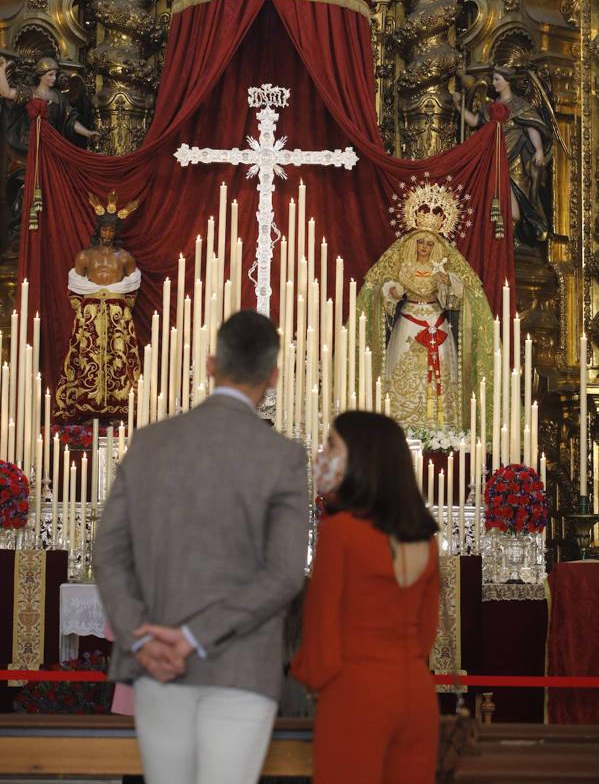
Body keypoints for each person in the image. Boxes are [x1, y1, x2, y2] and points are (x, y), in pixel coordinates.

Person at [93, 310, 309, 784]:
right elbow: (286, 574)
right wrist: (193, 638)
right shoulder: (283, 458)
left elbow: (107, 552)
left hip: (155, 663)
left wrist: (143, 636)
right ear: (272, 377)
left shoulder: (149, 442)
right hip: (241, 667)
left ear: (212, 365)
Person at [292, 411, 440, 784]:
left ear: (360, 459)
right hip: (418, 694)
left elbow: (321, 625)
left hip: (357, 692)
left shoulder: (341, 531)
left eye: (331, 445)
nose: (322, 454)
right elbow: (426, 632)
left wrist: (314, 682)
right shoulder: (425, 538)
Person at [357, 225, 494, 431]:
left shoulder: (440, 269)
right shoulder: (405, 266)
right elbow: (388, 290)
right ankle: (399, 422)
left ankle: (442, 425)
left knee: (441, 367)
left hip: (435, 319)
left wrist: (449, 283)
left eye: (429, 244)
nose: (424, 247)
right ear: (413, 244)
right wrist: (393, 292)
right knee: (405, 367)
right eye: (421, 242)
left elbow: (455, 300)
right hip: (408, 321)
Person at [54, 191, 141, 421]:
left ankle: (119, 406)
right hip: (90, 314)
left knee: (119, 359)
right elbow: (74, 291)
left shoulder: (125, 258)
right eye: (104, 229)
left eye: (112, 230)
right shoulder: (84, 257)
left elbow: (131, 291)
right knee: (87, 358)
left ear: (116, 232)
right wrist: (87, 311)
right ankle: (87, 405)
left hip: (116, 314)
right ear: (98, 229)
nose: (107, 234)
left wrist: (119, 309)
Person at [0, 55, 100, 249]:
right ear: (41, 75)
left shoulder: (58, 98)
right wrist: (2, 69)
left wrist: (88, 132)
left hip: (53, 149)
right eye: (50, 74)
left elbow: (70, 121)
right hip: (28, 150)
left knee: (56, 189)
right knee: (24, 188)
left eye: (55, 74)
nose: (54, 78)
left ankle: (53, 235)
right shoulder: (28, 93)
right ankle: (22, 236)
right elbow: (5, 92)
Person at [452, 66, 552, 244]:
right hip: (493, 159)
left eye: (497, 79)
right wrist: (459, 107)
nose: (493, 83)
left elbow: (531, 127)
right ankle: (499, 242)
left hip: (516, 159)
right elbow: (475, 121)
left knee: (519, 202)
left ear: (507, 82)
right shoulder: (490, 107)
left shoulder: (520, 105)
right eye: (493, 79)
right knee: (492, 203)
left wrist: (538, 149)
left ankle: (512, 241)